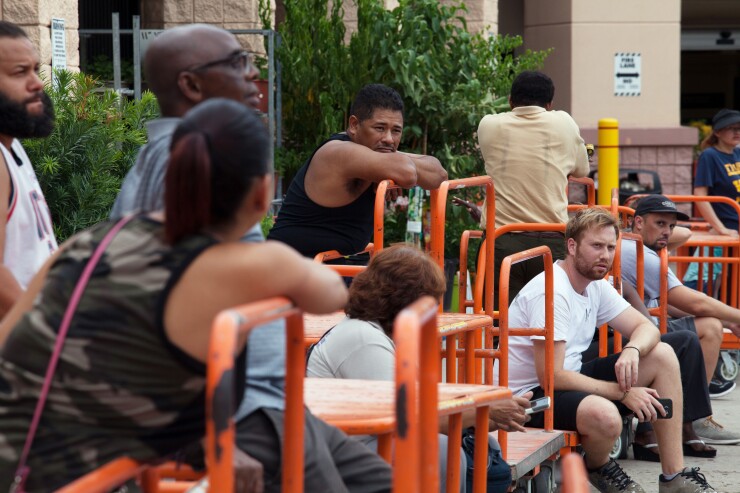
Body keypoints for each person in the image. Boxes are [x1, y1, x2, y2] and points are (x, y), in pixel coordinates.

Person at [0, 99, 350, 492]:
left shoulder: (95, 239)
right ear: (261, 193)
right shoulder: (250, 263)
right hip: (72, 478)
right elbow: (330, 292)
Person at [110, 26, 392, 492]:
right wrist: (212, 433)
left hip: (268, 402)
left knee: (384, 481)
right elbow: (154, 309)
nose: (253, 73)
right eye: (236, 63)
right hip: (242, 416)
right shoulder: (190, 164)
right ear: (192, 85)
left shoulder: (185, 155)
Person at [507, 208, 718, 493]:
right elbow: (551, 378)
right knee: (606, 416)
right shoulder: (552, 290)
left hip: (569, 377)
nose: (605, 255)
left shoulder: (595, 284)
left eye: (610, 247)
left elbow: (648, 329)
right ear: (572, 246)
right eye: (596, 246)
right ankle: (599, 466)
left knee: (662, 354)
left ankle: (674, 477)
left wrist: (632, 349)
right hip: (529, 398)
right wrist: (623, 393)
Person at [307, 245, 530, 493]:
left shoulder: (383, 334)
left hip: (362, 444)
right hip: (340, 454)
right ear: (403, 300)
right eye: (430, 304)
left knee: (482, 448)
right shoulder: (363, 338)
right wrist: (485, 413)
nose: (434, 314)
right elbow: (410, 419)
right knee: (441, 452)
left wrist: (488, 414)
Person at [267, 83, 448, 260]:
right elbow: (407, 173)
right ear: (354, 125)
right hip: (288, 267)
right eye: (379, 128)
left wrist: (390, 165)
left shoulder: (376, 153)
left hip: (334, 263)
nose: (388, 139)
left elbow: (439, 175)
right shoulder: (339, 152)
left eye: (396, 131)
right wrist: (393, 167)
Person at [623, 194, 740, 447]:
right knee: (707, 327)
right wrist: (735, 316)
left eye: (671, 226)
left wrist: (727, 318)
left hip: (639, 327)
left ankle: (693, 417)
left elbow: (669, 302)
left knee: (708, 323)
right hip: (631, 335)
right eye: (660, 224)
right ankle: (694, 419)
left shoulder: (639, 245)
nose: (668, 232)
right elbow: (693, 302)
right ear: (639, 222)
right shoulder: (639, 252)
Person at [476, 70, 589, 307]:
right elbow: (582, 171)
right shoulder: (564, 123)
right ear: (549, 104)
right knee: (552, 321)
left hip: (501, 240)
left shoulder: (489, 125)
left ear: (510, 101)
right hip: (552, 238)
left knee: (500, 324)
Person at [0, 21, 57, 319]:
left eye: (35, 69)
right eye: (20, 73)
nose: (37, 83)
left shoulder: (11, 144)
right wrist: (47, 335)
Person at [693, 108, 740, 238]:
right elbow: (700, 195)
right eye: (731, 127)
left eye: (739, 128)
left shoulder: (738, 153)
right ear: (718, 132)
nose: (737, 132)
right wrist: (721, 229)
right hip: (728, 233)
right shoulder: (710, 156)